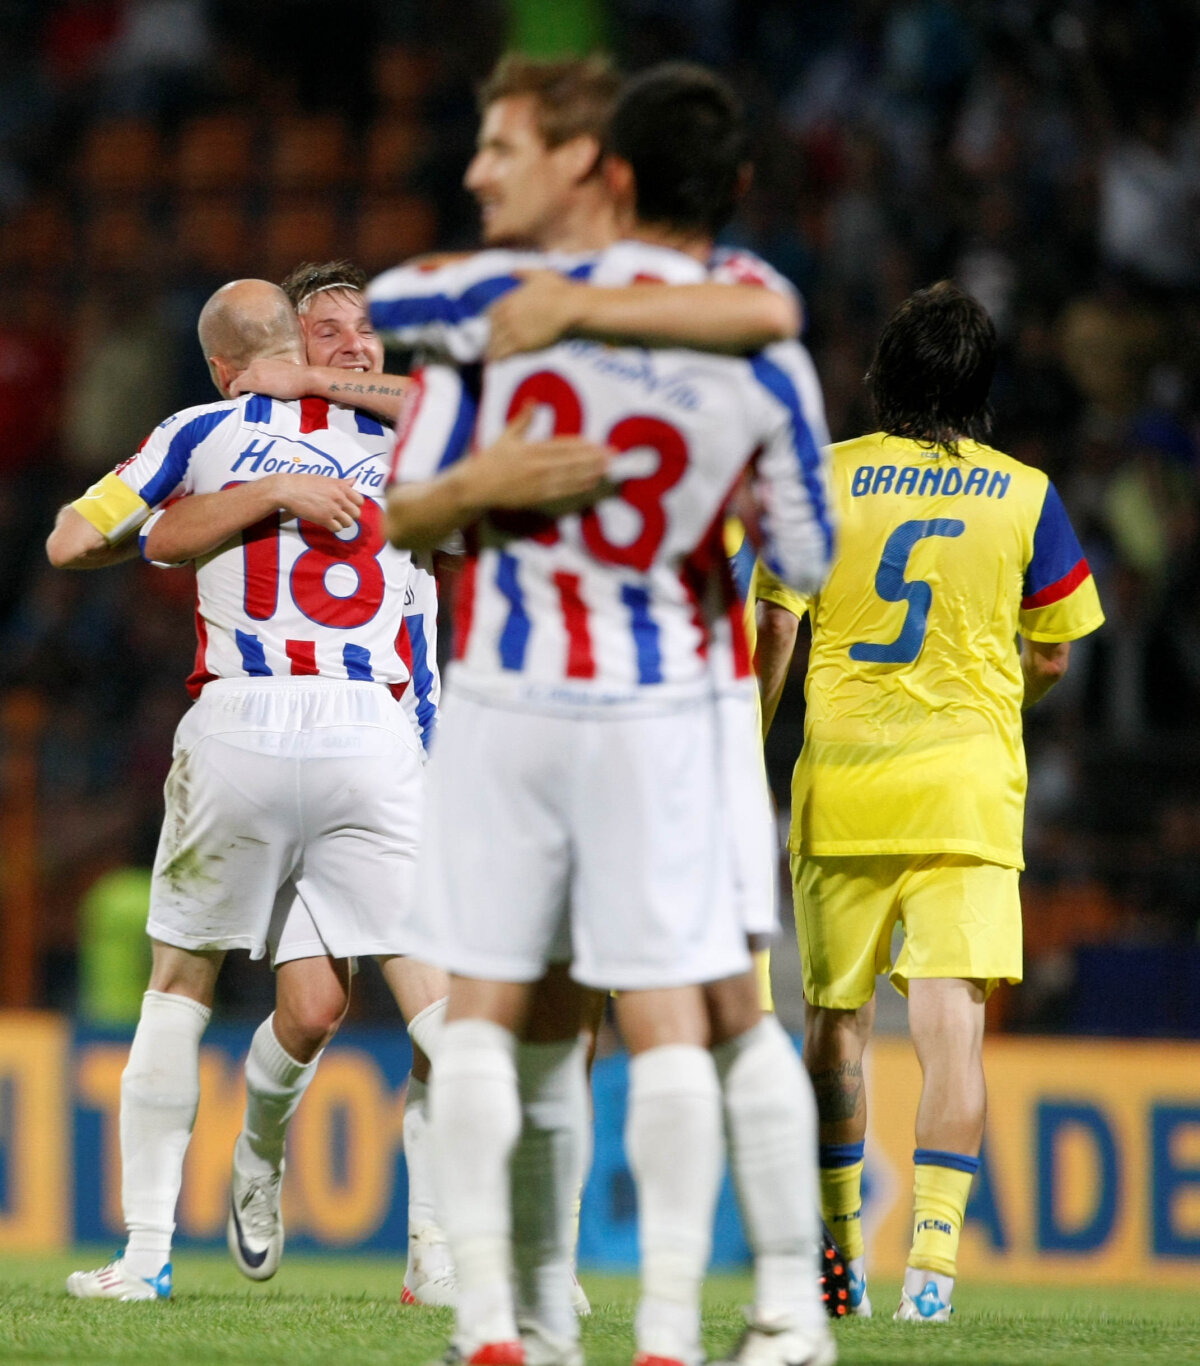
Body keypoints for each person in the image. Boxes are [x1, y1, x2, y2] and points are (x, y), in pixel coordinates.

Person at [385, 63, 835, 1366]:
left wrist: (487, 471)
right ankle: (689, 1326)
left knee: (498, 1007)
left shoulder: (489, 319)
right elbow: (806, 557)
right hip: (669, 702)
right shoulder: (763, 338)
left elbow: (411, 493)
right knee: (697, 1007)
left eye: (501, 148)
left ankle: (500, 1319)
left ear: (602, 169)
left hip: (509, 700)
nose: (479, 174)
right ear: (737, 188)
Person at [43, 277, 569, 1303]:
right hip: (364, 734)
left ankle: (170, 1253)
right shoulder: (402, 457)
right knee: (383, 1007)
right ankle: (486, 1242)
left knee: (182, 986)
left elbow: (83, 537)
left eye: (368, 334)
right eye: (331, 333)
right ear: (286, 340)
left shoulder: (203, 430)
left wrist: (221, 501)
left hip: (284, 729)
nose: (357, 351)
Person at [754, 281, 1105, 1324]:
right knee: (954, 1029)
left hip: (845, 783)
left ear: (882, 374)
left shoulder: (822, 480)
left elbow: (775, 629)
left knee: (835, 1024)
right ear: (982, 387)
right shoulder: (1027, 493)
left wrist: (740, 748)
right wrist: (1005, 698)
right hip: (966, 787)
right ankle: (934, 1277)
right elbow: (1053, 647)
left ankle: (840, 1253)